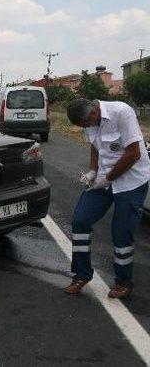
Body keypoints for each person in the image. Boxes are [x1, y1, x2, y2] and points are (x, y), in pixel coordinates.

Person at [64, 97, 150, 299]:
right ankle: (81, 274)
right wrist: (93, 171)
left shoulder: (122, 112)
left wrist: (107, 178)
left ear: (93, 112)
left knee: (121, 231)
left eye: (86, 124)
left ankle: (123, 282)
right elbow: (95, 146)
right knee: (80, 220)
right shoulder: (87, 119)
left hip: (131, 180)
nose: (85, 128)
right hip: (104, 178)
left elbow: (134, 153)